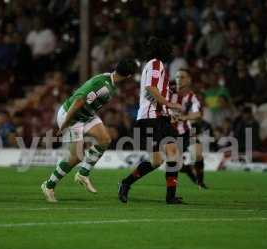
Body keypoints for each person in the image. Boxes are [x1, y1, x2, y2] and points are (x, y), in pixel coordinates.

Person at [41, 58, 137, 203]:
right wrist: (65, 123)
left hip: (86, 115)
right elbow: (78, 101)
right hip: (72, 116)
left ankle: (83, 173)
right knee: (77, 156)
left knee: (105, 140)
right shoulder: (103, 84)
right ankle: (49, 185)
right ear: (129, 76)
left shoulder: (109, 82)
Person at [118, 37, 185, 205]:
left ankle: (168, 195)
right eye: (168, 50)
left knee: (164, 157)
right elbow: (151, 87)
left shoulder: (154, 65)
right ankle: (128, 183)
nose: (171, 53)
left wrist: (169, 111)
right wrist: (169, 104)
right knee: (165, 157)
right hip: (151, 118)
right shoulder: (156, 63)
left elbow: (155, 91)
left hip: (159, 117)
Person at [169, 69, 207, 189]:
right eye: (177, 77)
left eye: (182, 77)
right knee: (177, 165)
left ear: (189, 80)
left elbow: (198, 114)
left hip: (187, 131)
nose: (179, 79)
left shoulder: (192, 97)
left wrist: (184, 117)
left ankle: (200, 183)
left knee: (198, 154)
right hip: (170, 133)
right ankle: (190, 171)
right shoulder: (168, 93)